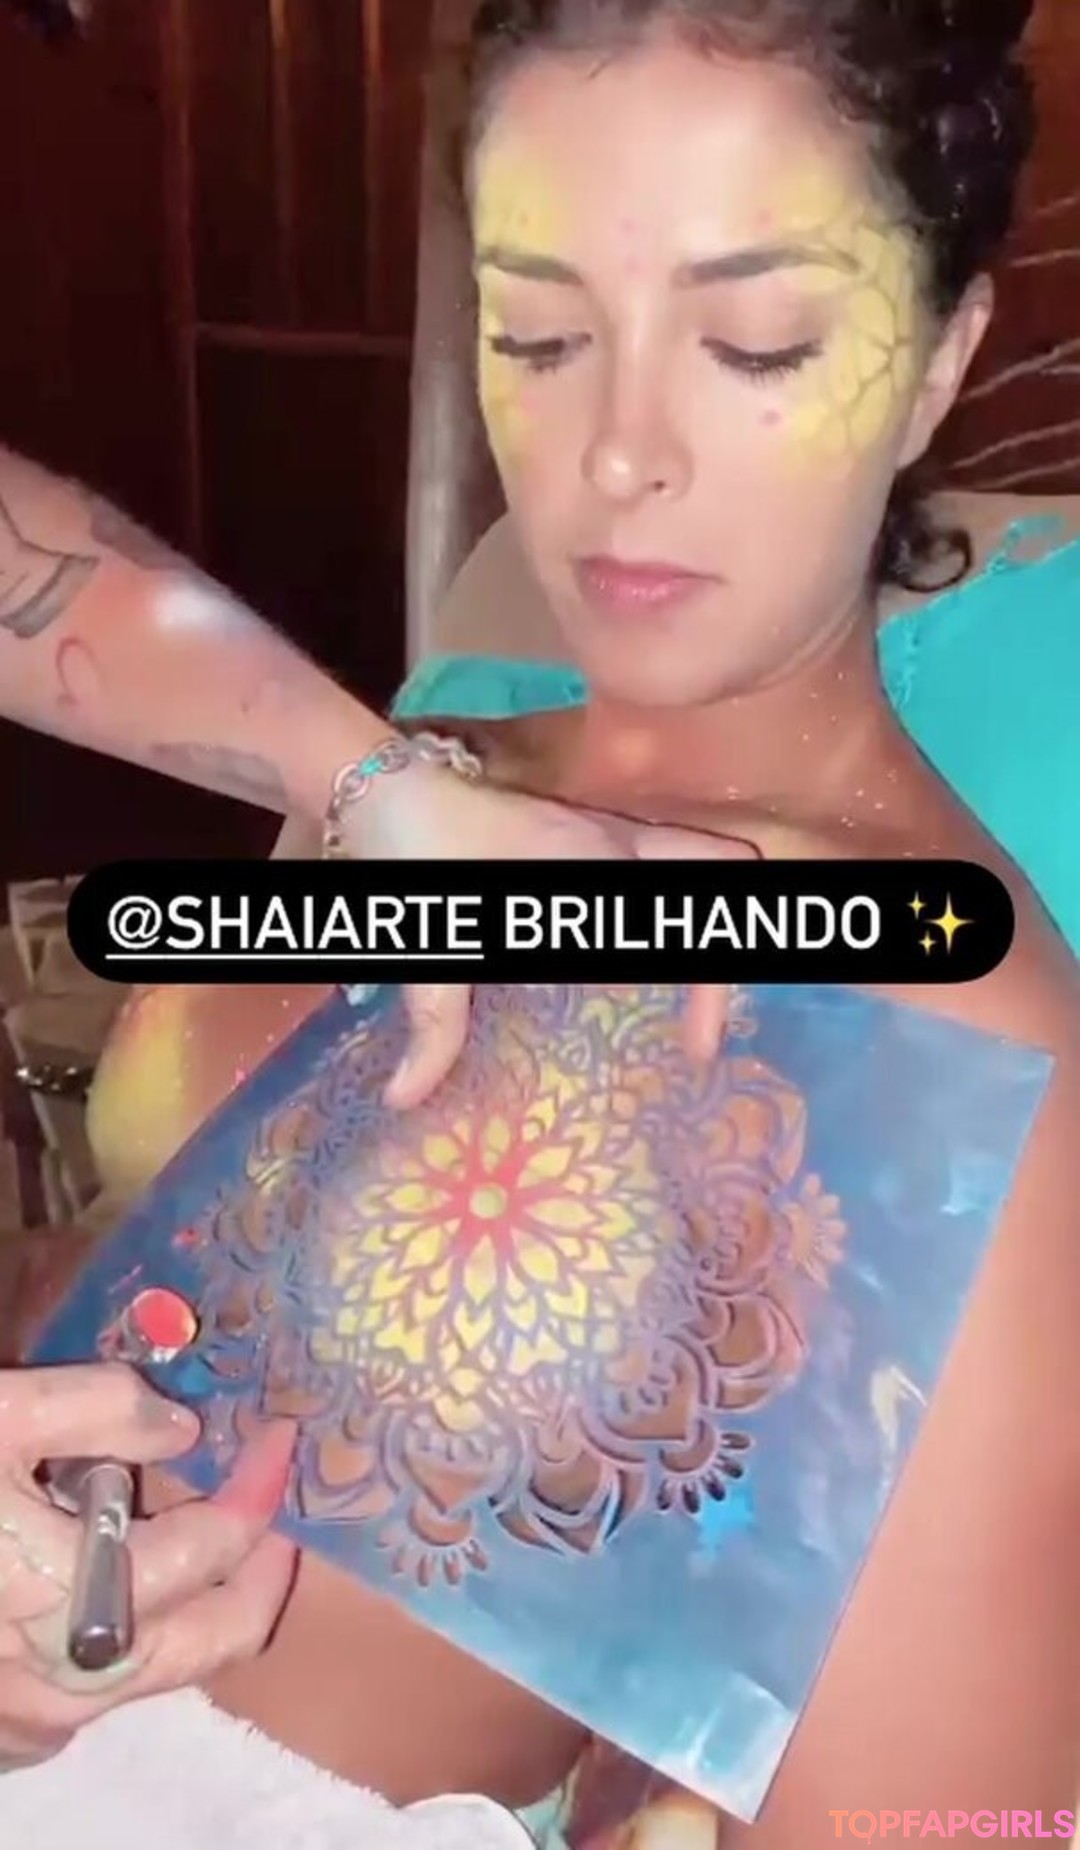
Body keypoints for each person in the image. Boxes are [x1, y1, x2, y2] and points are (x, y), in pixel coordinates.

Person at [8, 0, 1080, 1844]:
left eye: (755, 341)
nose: (617, 454)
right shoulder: (405, 781)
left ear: (935, 364)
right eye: (542, 335)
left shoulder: (934, 1033)